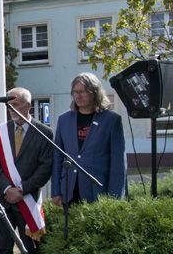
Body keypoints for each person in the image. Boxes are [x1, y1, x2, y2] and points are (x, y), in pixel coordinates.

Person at [0, 87, 53, 254]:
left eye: (16, 105)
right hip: (5, 199)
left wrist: (22, 189)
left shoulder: (44, 132)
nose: (11, 109)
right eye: (9, 105)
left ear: (29, 106)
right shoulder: (0, 133)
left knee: (29, 247)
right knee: (2, 247)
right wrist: (7, 189)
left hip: (28, 200)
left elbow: (45, 168)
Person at [51, 72, 127, 205]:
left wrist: (115, 198)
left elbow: (118, 162)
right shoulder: (64, 120)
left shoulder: (111, 120)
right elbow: (58, 157)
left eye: (83, 92)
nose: (78, 96)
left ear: (94, 93)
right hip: (69, 191)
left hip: (99, 191)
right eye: (75, 92)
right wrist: (56, 191)